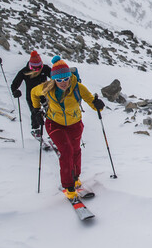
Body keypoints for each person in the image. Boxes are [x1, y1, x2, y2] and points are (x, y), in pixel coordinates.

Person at [31, 57, 105, 199]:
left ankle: (75, 177)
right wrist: (36, 110)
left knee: (76, 150)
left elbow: (91, 101)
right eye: (59, 80)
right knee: (66, 151)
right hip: (54, 123)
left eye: (66, 78)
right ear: (54, 80)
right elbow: (33, 93)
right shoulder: (47, 87)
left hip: (75, 124)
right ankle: (68, 186)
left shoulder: (78, 87)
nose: (63, 82)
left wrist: (98, 105)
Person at [10, 51, 51, 138]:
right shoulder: (24, 72)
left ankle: (52, 130)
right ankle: (35, 129)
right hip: (31, 96)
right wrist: (15, 91)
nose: (37, 70)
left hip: (45, 95)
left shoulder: (45, 69)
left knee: (50, 111)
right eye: (34, 68)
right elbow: (14, 84)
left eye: (39, 67)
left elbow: (55, 77)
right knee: (35, 112)